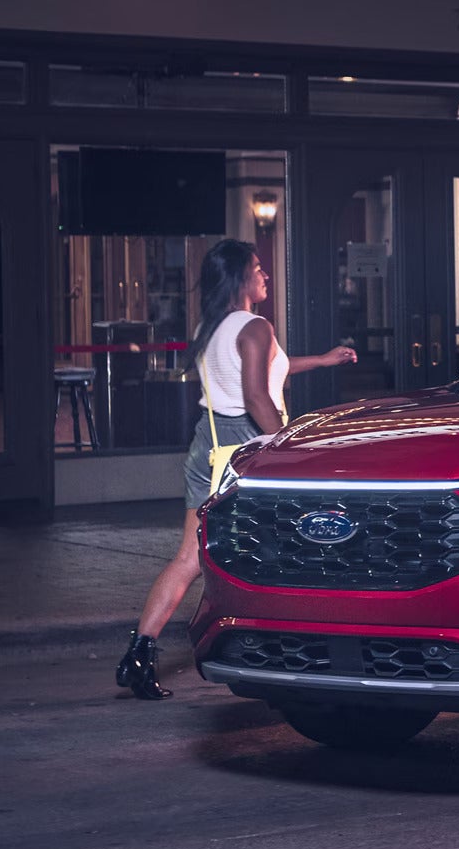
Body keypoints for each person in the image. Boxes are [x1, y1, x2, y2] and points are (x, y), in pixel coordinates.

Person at [114, 240, 355, 700]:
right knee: (284, 553)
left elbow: (265, 371)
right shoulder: (256, 326)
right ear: (241, 277)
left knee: (189, 559)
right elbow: (257, 397)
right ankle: (285, 653)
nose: (265, 275)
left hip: (207, 447)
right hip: (246, 447)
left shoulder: (214, 326)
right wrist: (291, 447)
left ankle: (139, 654)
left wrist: (322, 360)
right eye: (259, 268)